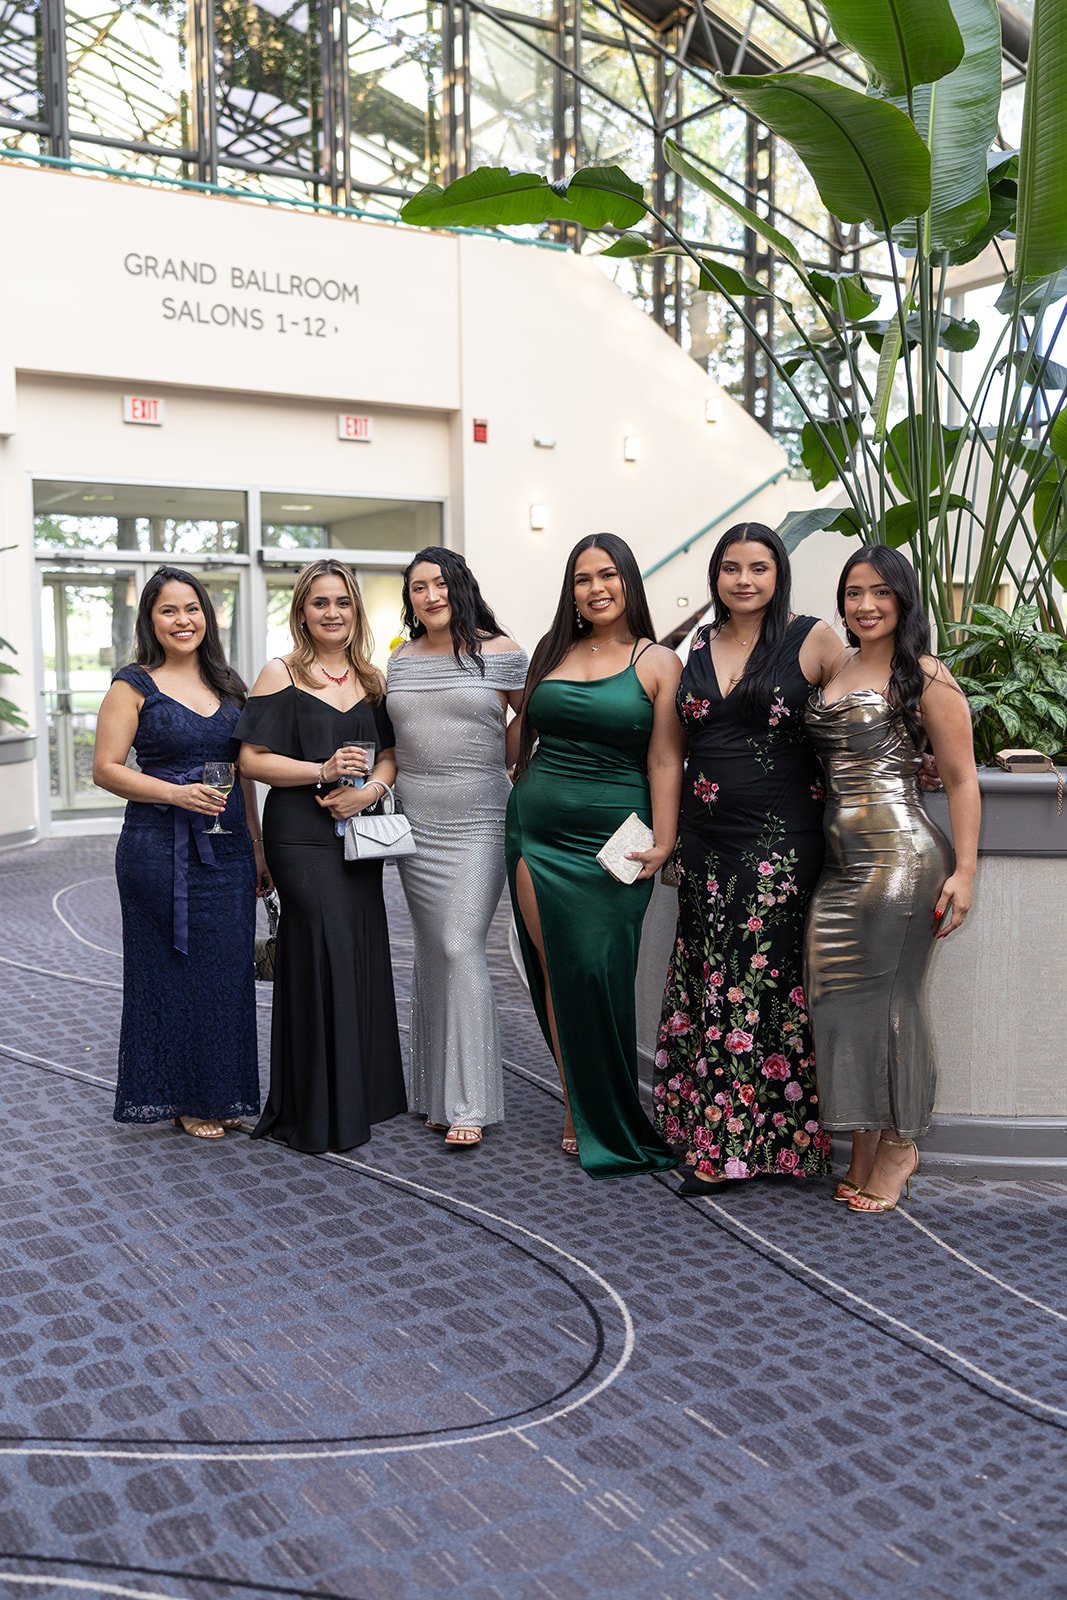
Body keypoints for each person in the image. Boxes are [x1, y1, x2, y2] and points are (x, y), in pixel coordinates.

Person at [652, 523, 842, 1191]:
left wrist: (917, 759)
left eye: (757, 567)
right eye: (730, 567)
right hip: (705, 845)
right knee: (711, 982)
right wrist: (667, 836)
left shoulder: (812, 637)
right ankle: (727, 1133)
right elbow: (669, 750)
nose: (743, 580)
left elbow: (863, 713)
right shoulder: (697, 645)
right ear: (715, 575)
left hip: (779, 847)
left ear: (777, 572)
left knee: (754, 988)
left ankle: (731, 1150)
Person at [804, 546, 980, 1214]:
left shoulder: (924, 674)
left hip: (901, 861)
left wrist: (964, 872)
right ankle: (865, 1149)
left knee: (893, 1004)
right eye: (852, 592)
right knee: (840, 1006)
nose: (865, 604)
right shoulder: (839, 665)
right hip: (838, 866)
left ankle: (901, 1147)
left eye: (880, 591)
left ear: (903, 599)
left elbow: (961, 778)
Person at [505, 533, 684, 1178]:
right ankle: (578, 1102)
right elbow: (519, 739)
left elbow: (666, 757)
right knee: (555, 968)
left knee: (599, 972)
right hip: (535, 831)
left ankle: (608, 1105)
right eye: (582, 579)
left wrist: (664, 838)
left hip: (618, 841)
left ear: (630, 581)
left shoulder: (658, 660)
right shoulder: (552, 652)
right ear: (570, 591)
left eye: (608, 575)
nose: (596, 588)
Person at [235, 559, 406, 1153]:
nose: (332, 613)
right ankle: (312, 1106)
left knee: (358, 947)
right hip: (299, 835)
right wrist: (322, 770)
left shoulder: (371, 677)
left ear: (355, 610)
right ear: (301, 612)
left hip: (357, 833)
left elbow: (389, 756)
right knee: (322, 945)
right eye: (320, 603)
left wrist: (369, 790)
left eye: (343, 602)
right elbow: (251, 761)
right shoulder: (279, 673)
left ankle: (356, 1097)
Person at [93, 564, 265, 1139]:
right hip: (156, 848)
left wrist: (259, 850)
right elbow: (105, 770)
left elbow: (243, 775)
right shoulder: (131, 684)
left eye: (192, 609)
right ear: (151, 620)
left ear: (206, 617)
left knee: (227, 973)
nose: (182, 620)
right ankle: (185, 1097)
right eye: (169, 610)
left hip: (230, 847)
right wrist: (175, 793)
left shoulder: (230, 686)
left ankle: (224, 1091)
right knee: (170, 972)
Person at [387, 548, 528, 1148]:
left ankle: (470, 1100)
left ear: (461, 587)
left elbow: (536, 718)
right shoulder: (398, 661)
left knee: (459, 943)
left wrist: (513, 760)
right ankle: (436, 1096)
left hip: (479, 816)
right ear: (410, 599)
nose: (430, 596)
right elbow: (393, 739)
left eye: (440, 584)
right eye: (419, 588)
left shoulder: (499, 651)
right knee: (431, 950)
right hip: (415, 818)